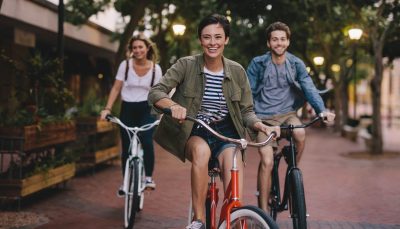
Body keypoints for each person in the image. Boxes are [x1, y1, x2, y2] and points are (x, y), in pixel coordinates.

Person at [148, 14, 280, 229]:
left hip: (227, 132)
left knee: (233, 168)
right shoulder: (186, 65)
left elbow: (247, 111)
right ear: (200, 39)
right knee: (201, 152)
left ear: (226, 39)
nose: (212, 43)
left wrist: (259, 125)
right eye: (207, 37)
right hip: (196, 128)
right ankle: (198, 219)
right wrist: (172, 106)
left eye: (218, 37)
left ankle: (235, 219)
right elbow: (156, 92)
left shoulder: (237, 71)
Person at [246, 21, 335, 212]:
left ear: (288, 42)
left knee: (301, 134)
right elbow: (248, 94)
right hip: (263, 119)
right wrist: (249, 118)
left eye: (282, 39)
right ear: (269, 43)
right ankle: (263, 213)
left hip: (288, 115)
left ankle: (292, 171)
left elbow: (309, 88)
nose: (279, 43)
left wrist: (322, 110)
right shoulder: (258, 64)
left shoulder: (296, 64)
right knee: (267, 161)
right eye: (275, 40)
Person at [100, 35, 162, 192]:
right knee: (126, 146)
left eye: (140, 47)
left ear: (147, 48)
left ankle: (148, 178)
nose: (137, 50)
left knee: (147, 140)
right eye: (134, 48)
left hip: (147, 109)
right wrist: (107, 108)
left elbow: (159, 93)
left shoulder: (156, 69)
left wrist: (161, 113)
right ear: (131, 50)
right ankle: (126, 181)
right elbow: (116, 88)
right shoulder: (125, 65)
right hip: (127, 108)